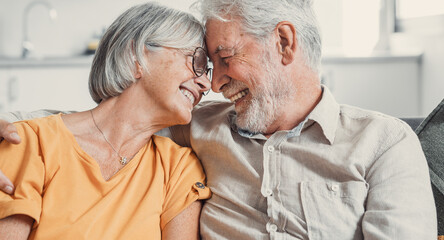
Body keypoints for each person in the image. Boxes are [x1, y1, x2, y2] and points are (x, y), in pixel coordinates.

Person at [0, 0, 437, 239]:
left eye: (222, 59)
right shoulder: (200, 126)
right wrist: (12, 125)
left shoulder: (385, 143)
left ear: (284, 42)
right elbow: (96, 124)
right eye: (204, 64)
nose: (214, 83)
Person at [0, 2, 212, 239]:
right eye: (198, 61)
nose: (206, 84)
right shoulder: (28, 141)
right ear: (137, 55)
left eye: (207, 71)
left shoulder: (179, 169)